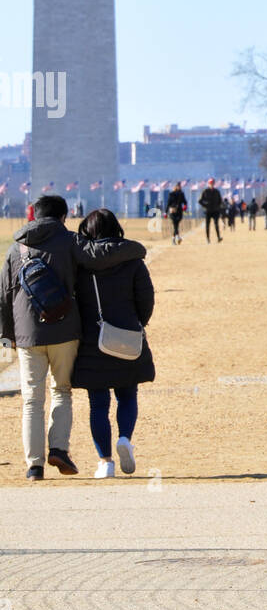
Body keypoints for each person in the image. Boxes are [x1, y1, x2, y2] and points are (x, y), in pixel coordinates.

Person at [0, 194, 146, 480]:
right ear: (63, 217)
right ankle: (58, 448)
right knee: (61, 391)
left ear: (34, 215)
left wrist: (7, 336)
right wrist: (136, 249)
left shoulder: (16, 248)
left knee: (31, 400)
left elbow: (3, 296)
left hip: (27, 334)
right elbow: (101, 255)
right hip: (65, 331)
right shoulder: (69, 241)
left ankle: (34, 466)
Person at [70, 209, 155, 479]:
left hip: (93, 338)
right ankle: (125, 438)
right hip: (127, 335)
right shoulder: (133, 260)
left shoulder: (81, 264)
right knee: (127, 395)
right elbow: (146, 299)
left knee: (98, 404)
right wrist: (137, 322)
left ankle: (105, 462)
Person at [199, 179, 223, 243]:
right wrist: (205, 205)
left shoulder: (216, 191)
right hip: (208, 211)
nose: (211, 184)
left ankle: (218, 237)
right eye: (210, 183)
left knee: (216, 224)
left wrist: (218, 207)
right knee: (207, 225)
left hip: (215, 211)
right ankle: (208, 239)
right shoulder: (205, 191)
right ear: (208, 184)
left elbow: (220, 200)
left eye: (212, 183)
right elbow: (200, 201)